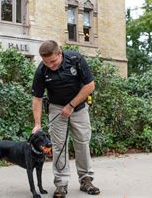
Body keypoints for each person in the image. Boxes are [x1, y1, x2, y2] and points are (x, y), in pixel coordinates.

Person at [31, 40, 100, 198]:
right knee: (58, 146)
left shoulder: (75, 59)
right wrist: (37, 124)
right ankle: (61, 184)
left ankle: (86, 180)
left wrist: (71, 105)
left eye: (53, 61)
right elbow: (37, 98)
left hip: (79, 107)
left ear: (60, 53)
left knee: (82, 143)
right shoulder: (42, 70)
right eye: (46, 62)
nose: (50, 65)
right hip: (56, 107)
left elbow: (90, 85)